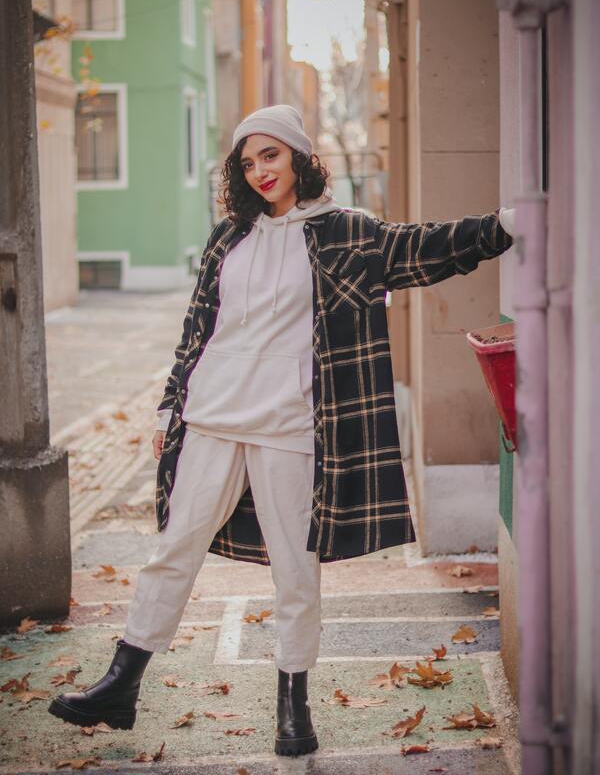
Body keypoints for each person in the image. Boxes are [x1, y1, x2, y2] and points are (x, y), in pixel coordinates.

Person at [49, 105, 515, 756]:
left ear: (298, 156)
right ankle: (121, 685)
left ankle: (292, 705)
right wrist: (168, 408)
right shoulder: (228, 239)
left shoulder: (342, 232)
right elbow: (198, 328)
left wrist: (500, 229)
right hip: (210, 419)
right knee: (173, 547)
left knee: (295, 571)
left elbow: (422, 248)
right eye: (248, 161)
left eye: (271, 155)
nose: (261, 170)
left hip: (288, 427)